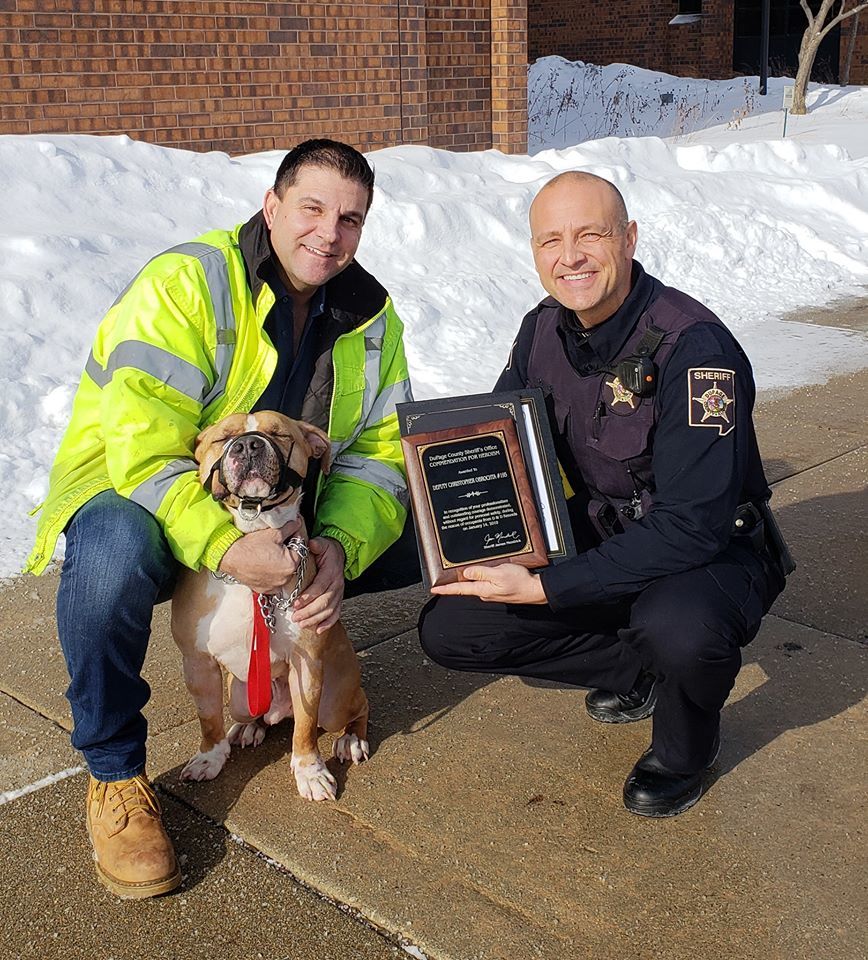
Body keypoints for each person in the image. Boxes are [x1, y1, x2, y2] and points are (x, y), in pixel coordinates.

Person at [25, 139, 416, 897]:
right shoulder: (189, 281)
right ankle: (113, 773)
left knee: (429, 531)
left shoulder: (371, 315)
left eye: (350, 219)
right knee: (109, 561)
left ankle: (318, 675)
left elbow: (379, 454)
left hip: (287, 505)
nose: (328, 234)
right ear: (271, 207)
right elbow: (138, 447)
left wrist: (337, 546)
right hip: (141, 488)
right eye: (311, 208)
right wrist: (228, 552)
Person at [418, 171, 787, 818]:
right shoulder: (542, 331)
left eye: (590, 233)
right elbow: (500, 443)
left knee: (677, 630)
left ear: (630, 238)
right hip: (601, 532)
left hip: (707, 551)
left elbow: (693, 526)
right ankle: (633, 669)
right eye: (550, 240)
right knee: (454, 627)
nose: (571, 256)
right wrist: (464, 533)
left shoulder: (694, 350)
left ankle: (685, 747)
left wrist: (548, 588)